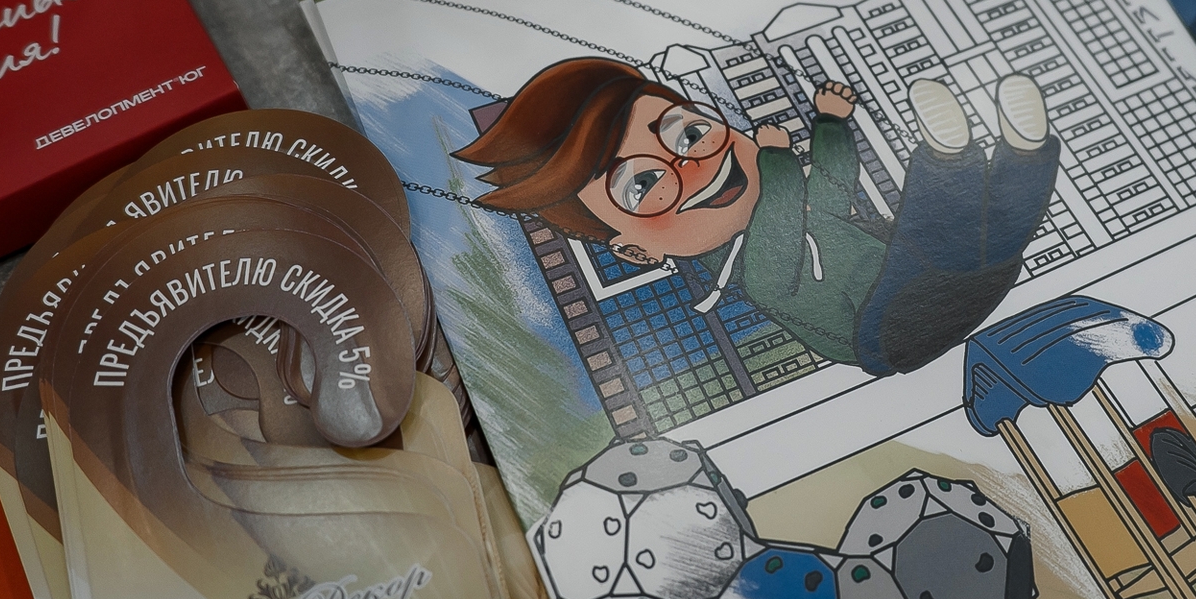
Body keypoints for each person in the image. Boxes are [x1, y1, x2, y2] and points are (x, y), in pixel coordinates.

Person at [454, 57, 1060, 376]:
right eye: (643, 184)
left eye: (689, 132)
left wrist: (830, 127)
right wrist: (777, 163)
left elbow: (831, 189)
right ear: (637, 249)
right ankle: (948, 157)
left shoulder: (800, 212)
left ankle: (1024, 151)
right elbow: (776, 230)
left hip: (962, 283)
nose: (693, 164)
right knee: (937, 241)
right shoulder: (757, 276)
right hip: (887, 328)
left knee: (997, 236)